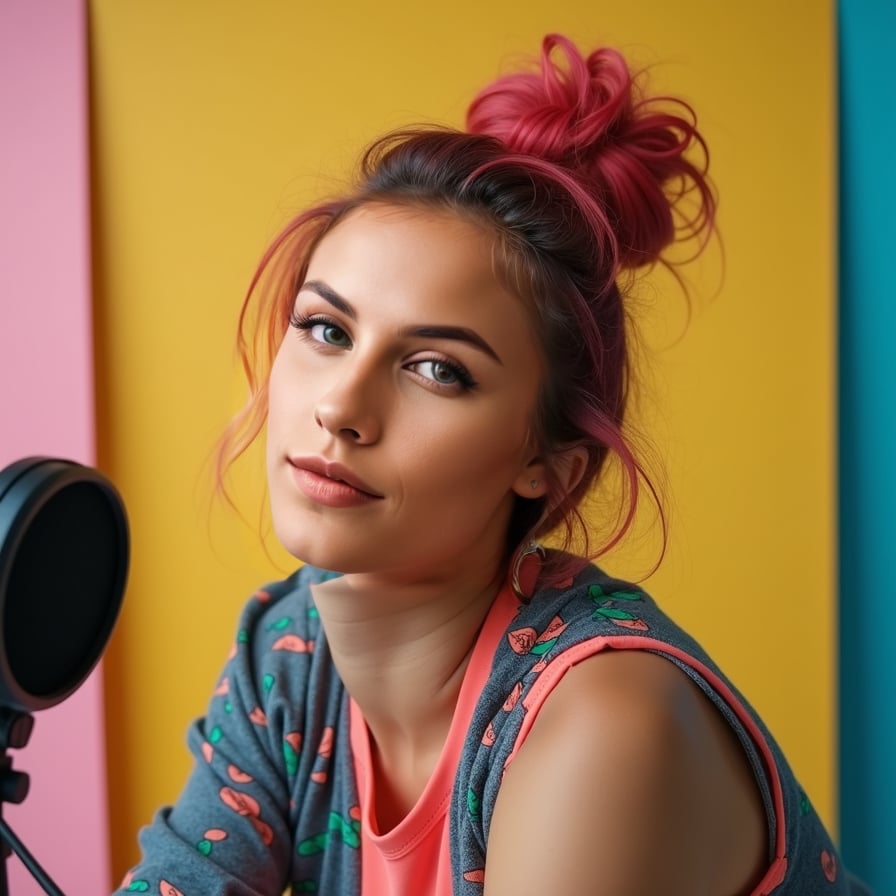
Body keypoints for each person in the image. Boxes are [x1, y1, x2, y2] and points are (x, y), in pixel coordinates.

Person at [114, 34, 868, 896]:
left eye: (439, 370)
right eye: (327, 330)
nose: (341, 408)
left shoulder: (599, 722)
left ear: (547, 464)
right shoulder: (288, 649)